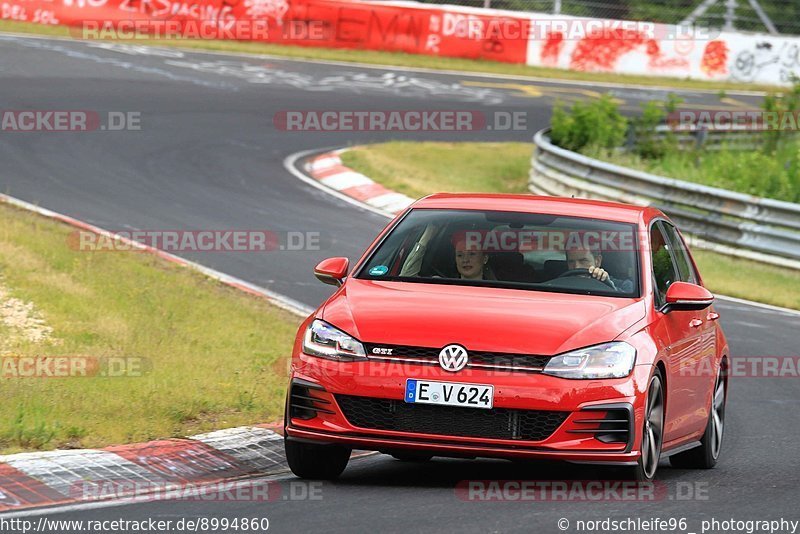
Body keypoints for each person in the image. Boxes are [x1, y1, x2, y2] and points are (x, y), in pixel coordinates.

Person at [399, 224, 492, 280]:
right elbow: (405, 277)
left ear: (485, 258)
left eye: (472, 254)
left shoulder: (497, 291)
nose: (465, 260)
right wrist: (427, 235)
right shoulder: (441, 284)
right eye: (460, 255)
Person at [564, 244, 633, 292]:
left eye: (583, 261)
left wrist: (607, 285)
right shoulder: (560, 285)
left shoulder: (625, 286)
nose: (576, 267)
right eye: (571, 262)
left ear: (598, 261)